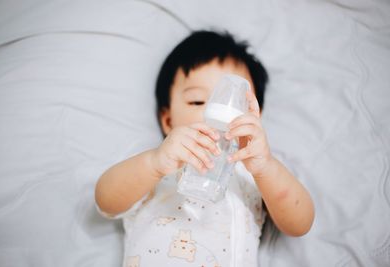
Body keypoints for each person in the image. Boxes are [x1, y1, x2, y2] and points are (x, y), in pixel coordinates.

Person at [95, 30, 314, 267]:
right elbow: (105, 201)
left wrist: (266, 167)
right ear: (167, 121)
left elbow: (299, 224)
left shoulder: (253, 174)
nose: (215, 116)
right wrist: (154, 163)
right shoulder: (155, 166)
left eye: (235, 104)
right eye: (198, 101)